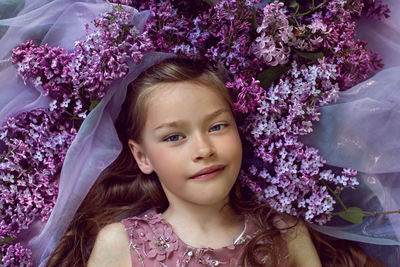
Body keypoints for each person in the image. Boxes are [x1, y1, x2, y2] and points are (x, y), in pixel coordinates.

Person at [45, 57, 385, 267]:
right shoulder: (120, 243)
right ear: (142, 156)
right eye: (174, 137)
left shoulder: (285, 234)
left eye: (217, 126)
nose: (204, 148)